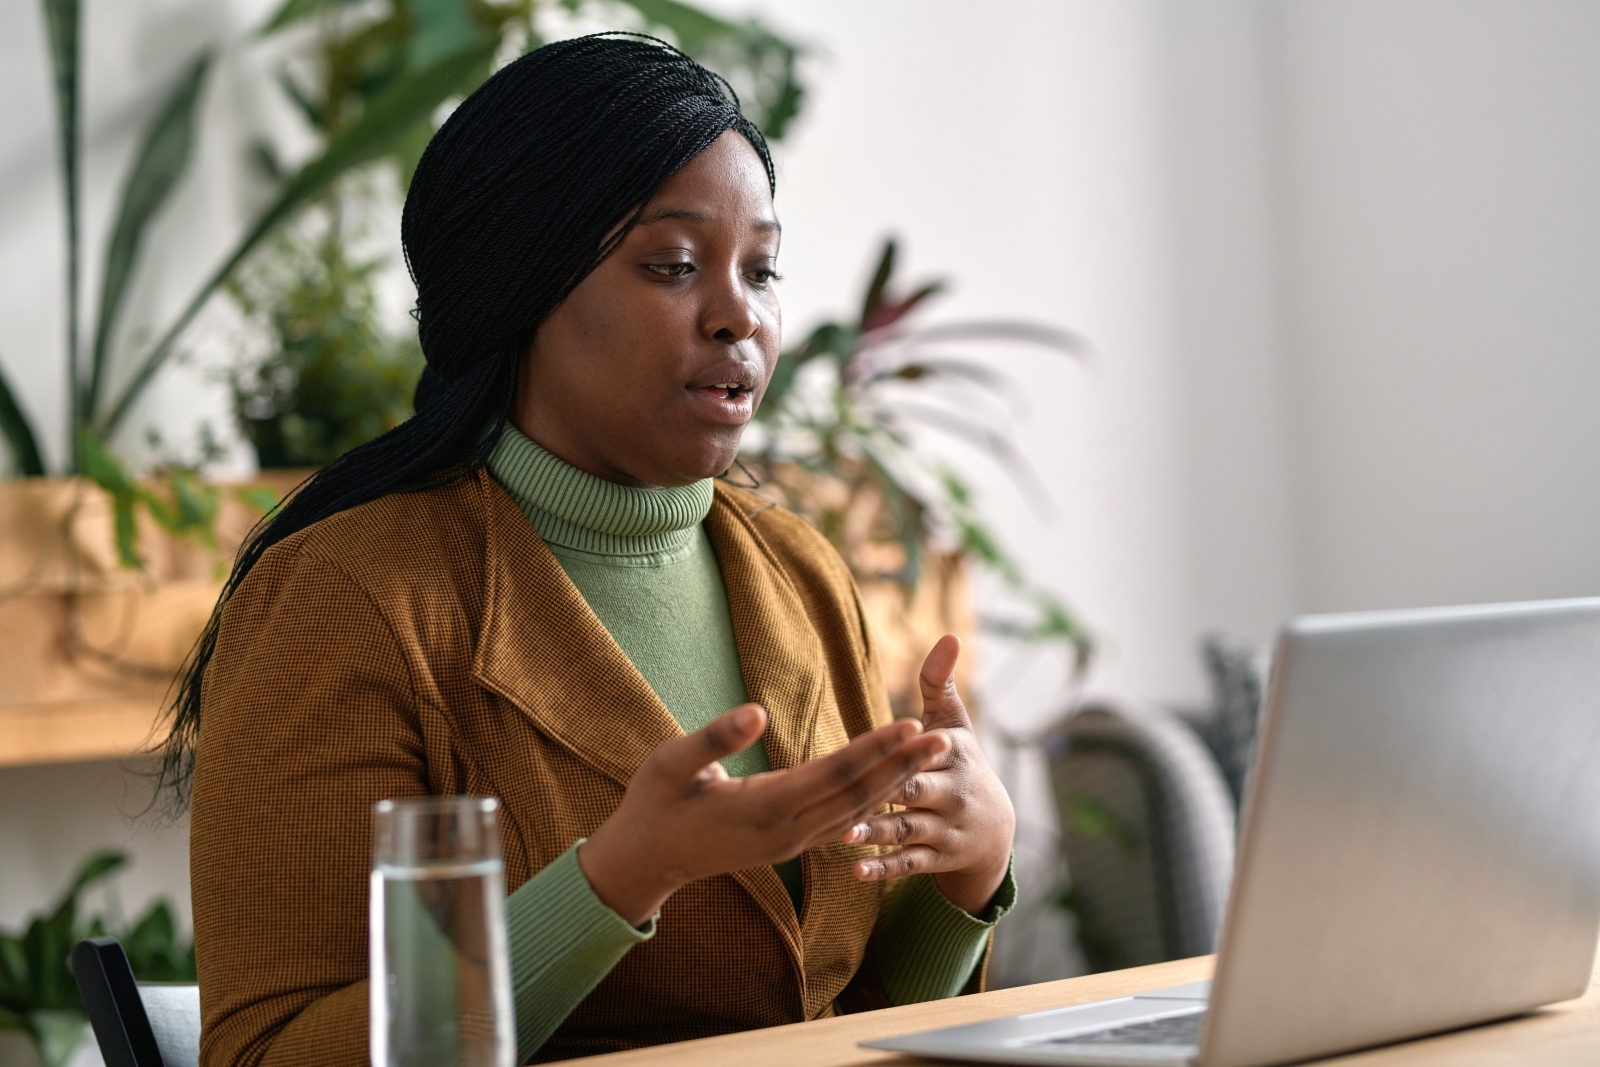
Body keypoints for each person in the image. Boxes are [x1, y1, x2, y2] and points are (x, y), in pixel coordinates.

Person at [173, 34, 1017, 1066]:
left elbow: (842, 1008)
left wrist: (969, 872)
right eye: (672, 265)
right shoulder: (348, 597)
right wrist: (614, 880)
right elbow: (271, 1052)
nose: (738, 313)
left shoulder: (799, 569)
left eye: (761, 268)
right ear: (519, 286)